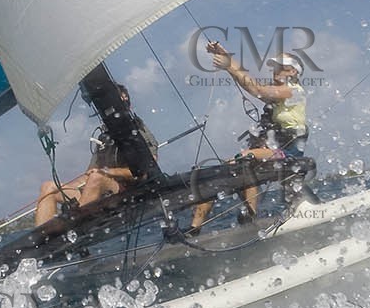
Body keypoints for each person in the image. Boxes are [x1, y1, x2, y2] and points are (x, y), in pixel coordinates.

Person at [186, 43, 309, 237]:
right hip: (273, 150)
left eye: (281, 66)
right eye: (274, 66)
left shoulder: (293, 91)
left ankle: (250, 215)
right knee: (225, 168)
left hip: (288, 152)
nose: (275, 70)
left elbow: (256, 89)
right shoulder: (277, 97)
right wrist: (227, 57)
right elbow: (252, 84)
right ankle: (194, 228)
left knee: (245, 158)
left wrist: (228, 65)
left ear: (293, 71)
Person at [34, 85, 157, 226]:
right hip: (102, 192)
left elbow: (149, 167)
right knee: (48, 187)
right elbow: (90, 173)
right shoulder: (103, 139)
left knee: (96, 178)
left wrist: (107, 172)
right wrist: (68, 188)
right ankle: (43, 237)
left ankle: (74, 228)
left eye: (121, 103)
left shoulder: (138, 131)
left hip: (129, 192)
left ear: (128, 105)